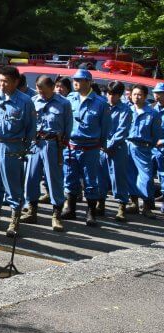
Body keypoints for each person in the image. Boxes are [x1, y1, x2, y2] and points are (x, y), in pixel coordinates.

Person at [0, 66, 36, 235]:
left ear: (16, 82)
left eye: (6, 81)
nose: (2, 85)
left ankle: (14, 220)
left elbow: (31, 129)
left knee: (12, 186)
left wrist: (22, 150)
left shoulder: (25, 101)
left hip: (12, 146)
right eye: (0, 81)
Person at [63, 68, 111, 225]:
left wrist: (101, 145)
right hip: (71, 146)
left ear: (88, 82)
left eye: (79, 80)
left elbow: (105, 127)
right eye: (74, 79)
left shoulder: (101, 103)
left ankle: (91, 212)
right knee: (70, 178)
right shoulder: (70, 98)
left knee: (91, 181)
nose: (75, 82)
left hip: (90, 148)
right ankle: (70, 209)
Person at [24, 74, 72, 231]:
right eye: (39, 90)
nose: (41, 94)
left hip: (53, 144)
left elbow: (68, 126)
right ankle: (31, 210)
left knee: (54, 179)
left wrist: (62, 144)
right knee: (31, 178)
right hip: (35, 143)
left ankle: (56, 214)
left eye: (44, 91)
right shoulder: (33, 101)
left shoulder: (64, 103)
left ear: (52, 87)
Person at [100, 81, 135, 222]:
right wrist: (102, 144)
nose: (110, 97)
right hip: (101, 148)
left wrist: (109, 145)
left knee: (118, 178)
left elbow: (122, 131)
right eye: (109, 93)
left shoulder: (125, 110)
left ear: (120, 95)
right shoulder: (102, 106)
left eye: (114, 94)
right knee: (100, 176)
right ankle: (100, 203)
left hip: (117, 148)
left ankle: (121, 206)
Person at [126, 83, 162, 218]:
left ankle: (147, 206)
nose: (136, 97)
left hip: (143, 148)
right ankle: (134, 203)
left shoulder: (153, 113)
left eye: (139, 95)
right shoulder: (128, 110)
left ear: (146, 96)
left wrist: (148, 146)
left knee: (146, 177)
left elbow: (157, 135)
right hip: (128, 145)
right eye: (134, 94)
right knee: (130, 175)